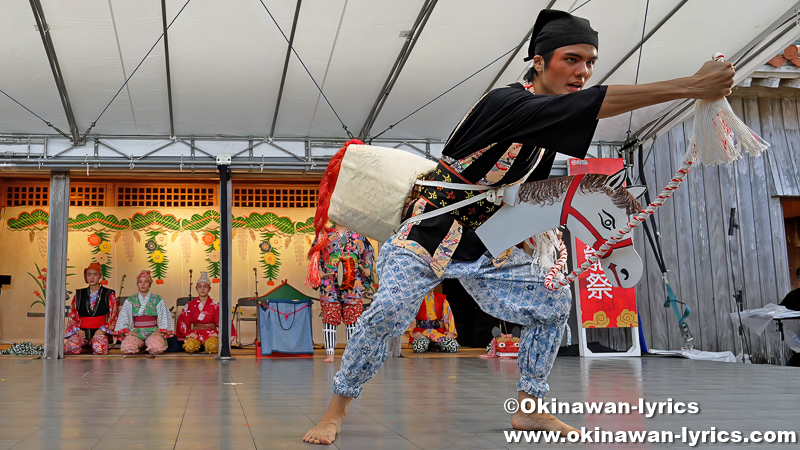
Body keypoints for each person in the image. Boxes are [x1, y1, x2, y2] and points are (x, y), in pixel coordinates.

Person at [303, 9, 734, 445]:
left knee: (552, 304)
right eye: (572, 59)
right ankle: (336, 410)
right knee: (389, 311)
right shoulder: (506, 103)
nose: (582, 71)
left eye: (590, 62)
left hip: (488, 244)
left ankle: (530, 409)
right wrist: (692, 86)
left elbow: (533, 187)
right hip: (429, 231)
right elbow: (587, 106)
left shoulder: (549, 123)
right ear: (539, 61)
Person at [307, 222, 375, 363]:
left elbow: (368, 254)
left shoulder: (359, 234)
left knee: (353, 320)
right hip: (330, 283)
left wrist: (366, 277)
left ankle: (352, 353)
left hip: (353, 281)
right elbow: (315, 256)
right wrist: (317, 271)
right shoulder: (324, 235)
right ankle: (330, 353)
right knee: (329, 319)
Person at [64, 262, 118, 355]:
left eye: (95, 274)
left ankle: (94, 346)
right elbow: (72, 315)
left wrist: (103, 330)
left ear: (100, 276)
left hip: (100, 332)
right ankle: (85, 348)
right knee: (68, 348)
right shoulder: (79, 294)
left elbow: (114, 315)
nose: (92, 278)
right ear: (86, 276)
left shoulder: (108, 294)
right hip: (83, 332)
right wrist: (77, 330)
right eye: (89, 275)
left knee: (99, 349)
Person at [114, 270, 174, 355]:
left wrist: (160, 332)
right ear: (137, 284)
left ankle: (146, 346)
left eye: (146, 282)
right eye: (140, 282)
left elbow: (164, 316)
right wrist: (128, 332)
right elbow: (124, 317)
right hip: (136, 332)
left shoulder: (157, 299)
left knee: (157, 348)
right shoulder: (130, 300)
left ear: (150, 284)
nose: (142, 284)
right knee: (127, 348)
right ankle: (141, 346)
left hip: (153, 332)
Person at [176, 271, 237, 353]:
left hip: (211, 333)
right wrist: (188, 334)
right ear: (196, 288)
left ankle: (204, 346)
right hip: (195, 334)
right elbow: (182, 320)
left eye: (205, 286)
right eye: (199, 286)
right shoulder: (190, 305)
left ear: (209, 289)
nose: (202, 289)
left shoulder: (216, 305)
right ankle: (200, 346)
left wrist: (219, 334)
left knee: (212, 346)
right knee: (189, 347)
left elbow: (224, 321)